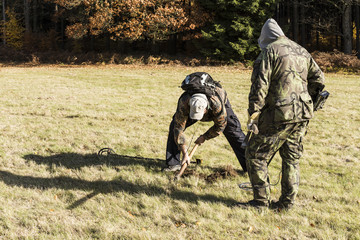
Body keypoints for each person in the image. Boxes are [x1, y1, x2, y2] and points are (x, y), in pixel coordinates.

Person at [240, 18, 325, 210]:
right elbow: (319, 79)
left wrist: (254, 116)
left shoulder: (269, 52)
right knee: (291, 158)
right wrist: (308, 99)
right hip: (303, 114)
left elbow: (259, 87)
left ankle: (260, 203)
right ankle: (287, 204)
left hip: (279, 114)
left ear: (266, 38)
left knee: (255, 154)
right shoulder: (301, 50)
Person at [163, 73, 247, 173]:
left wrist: (204, 137)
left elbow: (220, 126)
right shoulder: (184, 102)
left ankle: (250, 166)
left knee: (234, 131)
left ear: (205, 109)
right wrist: (185, 153)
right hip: (193, 106)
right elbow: (178, 129)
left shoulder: (217, 105)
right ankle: (174, 164)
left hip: (219, 103)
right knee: (174, 127)